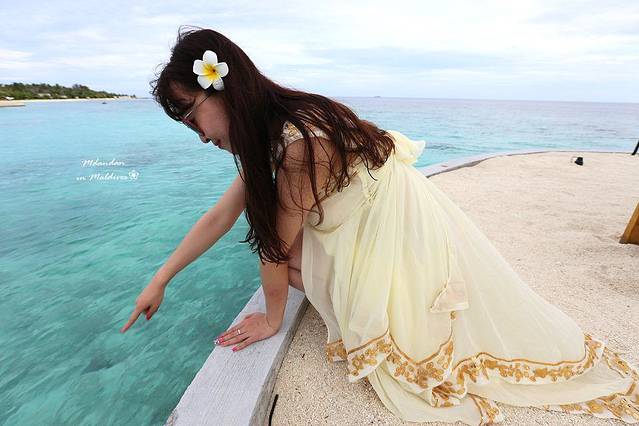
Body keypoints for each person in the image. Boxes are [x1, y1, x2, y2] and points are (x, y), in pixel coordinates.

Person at [120, 26, 639, 425]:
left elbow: (274, 247)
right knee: (296, 262)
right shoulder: (270, 127)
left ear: (222, 89)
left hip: (399, 230)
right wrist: (160, 279)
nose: (198, 136)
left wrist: (272, 318)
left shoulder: (301, 140)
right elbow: (220, 215)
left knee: (304, 273)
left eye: (192, 117)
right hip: (373, 222)